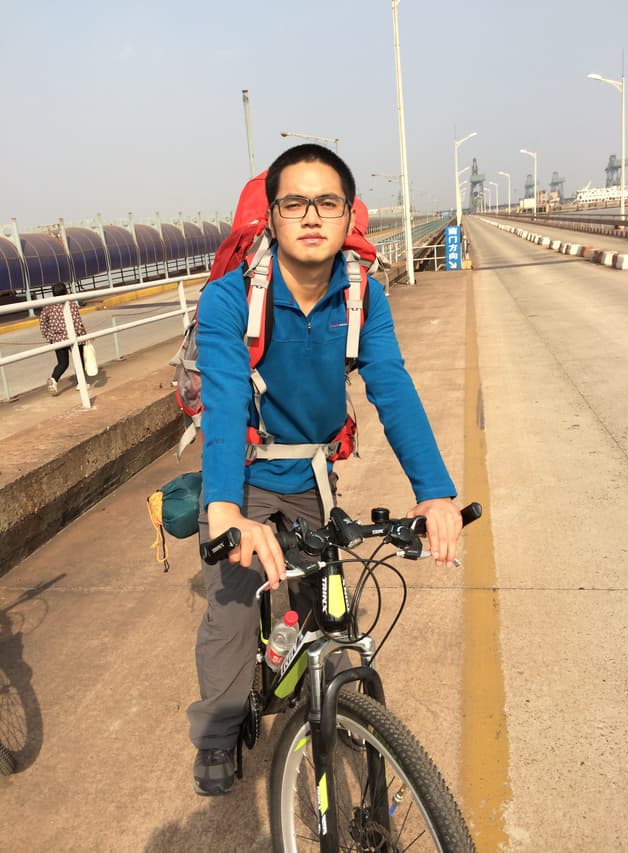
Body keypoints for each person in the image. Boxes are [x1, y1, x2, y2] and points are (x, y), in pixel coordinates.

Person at [188, 144, 462, 796]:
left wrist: (436, 494)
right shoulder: (229, 301)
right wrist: (223, 507)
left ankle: (331, 705)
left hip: (311, 476)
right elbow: (224, 402)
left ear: (347, 217)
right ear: (275, 218)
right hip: (246, 472)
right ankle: (218, 734)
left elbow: (391, 386)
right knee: (229, 608)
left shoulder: (362, 296)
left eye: (328, 202)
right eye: (295, 203)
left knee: (330, 609)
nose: (312, 216)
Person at [39, 282, 87, 396]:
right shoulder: (70, 304)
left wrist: (48, 336)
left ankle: (54, 379)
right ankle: (81, 383)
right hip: (73, 336)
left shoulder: (48, 306)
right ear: (66, 291)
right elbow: (77, 322)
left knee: (62, 363)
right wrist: (84, 335)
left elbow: (42, 322)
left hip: (57, 338)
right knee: (79, 360)